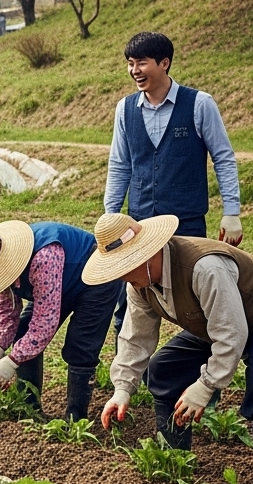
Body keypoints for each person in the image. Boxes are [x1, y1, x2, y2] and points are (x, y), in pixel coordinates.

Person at [86, 212, 253, 484]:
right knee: (165, 369)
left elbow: (231, 333)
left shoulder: (204, 267)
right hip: (215, 322)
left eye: (124, 266)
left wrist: (205, 386)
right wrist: (122, 389)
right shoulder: (139, 284)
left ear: (146, 255)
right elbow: (135, 338)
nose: (121, 277)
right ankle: (174, 465)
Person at [104, 31, 242, 332]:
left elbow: (224, 157)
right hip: (138, 224)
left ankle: (198, 375)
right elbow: (119, 164)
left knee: (198, 300)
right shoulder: (125, 109)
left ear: (164, 63)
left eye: (142, 63)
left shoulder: (199, 104)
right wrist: (110, 213)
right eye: (130, 63)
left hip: (186, 223)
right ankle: (129, 376)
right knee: (130, 304)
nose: (134, 71)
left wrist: (232, 212)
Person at [0, 220, 121, 420]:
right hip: (53, 286)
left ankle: (76, 419)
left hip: (95, 277)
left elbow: (44, 324)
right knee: (24, 331)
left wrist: (11, 363)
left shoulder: (44, 256)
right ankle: (30, 409)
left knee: (80, 346)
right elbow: (6, 311)